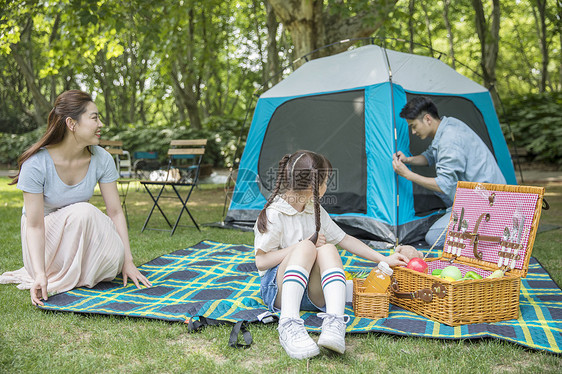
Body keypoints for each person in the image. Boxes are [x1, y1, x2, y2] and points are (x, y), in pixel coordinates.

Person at [0, 90, 151, 306]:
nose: (101, 125)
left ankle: (80, 272)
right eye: (94, 117)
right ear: (72, 123)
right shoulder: (36, 163)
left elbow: (115, 212)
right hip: (43, 242)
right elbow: (34, 225)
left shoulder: (102, 158)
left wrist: (127, 261)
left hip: (76, 233)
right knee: (84, 211)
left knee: (113, 258)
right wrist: (40, 273)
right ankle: (60, 274)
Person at [254, 150, 408, 359]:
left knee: (328, 248)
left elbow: (345, 239)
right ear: (312, 186)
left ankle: (335, 321)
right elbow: (261, 261)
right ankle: (288, 323)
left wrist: (384, 259)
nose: (327, 185)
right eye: (326, 181)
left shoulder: (314, 208)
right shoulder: (275, 213)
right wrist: (305, 243)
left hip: (310, 294)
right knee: (308, 247)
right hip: (279, 292)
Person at [392, 96, 506, 247]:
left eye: (413, 126)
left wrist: (407, 174)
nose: (413, 132)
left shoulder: (450, 138)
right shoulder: (448, 125)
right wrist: (408, 160)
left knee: (433, 237)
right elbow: (430, 156)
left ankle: (490, 233)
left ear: (427, 119)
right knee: (440, 210)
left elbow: (443, 184)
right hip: (480, 196)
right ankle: (470, 226)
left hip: (486, 202)